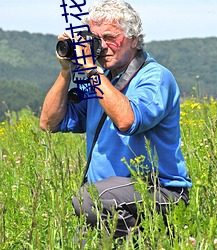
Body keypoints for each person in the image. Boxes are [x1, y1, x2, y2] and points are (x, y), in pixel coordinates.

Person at [40, 0, 192, 244]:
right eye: (96, 38)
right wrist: (66, 71)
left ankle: (146, 241)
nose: (102, 46)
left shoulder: (154, 77)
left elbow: (127, 120)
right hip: (110, 199)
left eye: (110, 37)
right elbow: (49, 123)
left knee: (88, 200)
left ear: (133, 39)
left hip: (159, 192)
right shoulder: (102, 82)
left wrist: (91, 70)